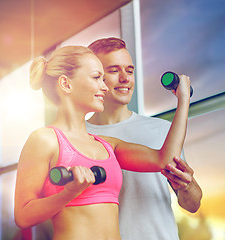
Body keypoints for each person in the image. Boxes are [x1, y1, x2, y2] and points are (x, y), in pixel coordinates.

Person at [14, 45, 192, 239]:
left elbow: (164, 159)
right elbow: (23, 216)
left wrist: (183, 101)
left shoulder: (106, 144)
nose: (105, 87)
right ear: (66, 84)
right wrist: (68, 193)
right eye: (96, 77)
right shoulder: (44, 140)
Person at [86, 37, 202, 240]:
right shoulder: (79, 136)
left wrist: (188, 186)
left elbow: (191, 205)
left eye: (129, 71)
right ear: (94, 76)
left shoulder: (163, 131)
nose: (125, 78)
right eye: (114, 70)